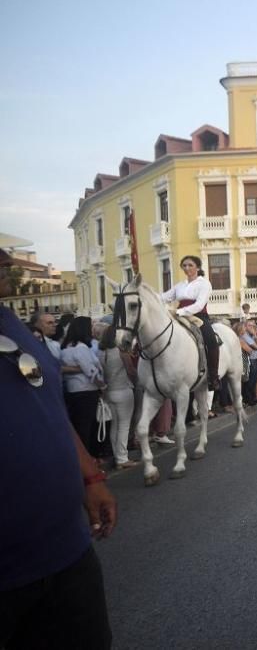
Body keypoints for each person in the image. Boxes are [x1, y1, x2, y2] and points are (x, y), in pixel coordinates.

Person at [0, 252, 116, 649]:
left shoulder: (10, 322)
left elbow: (44, 402)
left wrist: (90, 475)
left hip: (68, 551)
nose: (5, 261)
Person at [161, 255, 219, 390]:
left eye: (190, 265)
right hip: (179, 316)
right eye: (184, 265)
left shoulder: (204, 283)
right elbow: (164, 297)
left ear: (197, 267)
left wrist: (179, 312)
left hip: (198, 316)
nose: (187, 268)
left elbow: (199, 305)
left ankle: (213, 377)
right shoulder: (180, 285)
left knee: (211, 340)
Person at [61, 316, 105, 458]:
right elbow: (91, 371)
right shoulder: (81, 348)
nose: (92, 329)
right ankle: (88, 459)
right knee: (87, 428)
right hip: (87, 391)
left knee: (80, 427)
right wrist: (102, 386)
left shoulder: (66, 347)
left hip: (73, 390)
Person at [97, 324, 138, 470]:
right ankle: (122, 458)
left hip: (109, 392)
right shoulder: (121, 351)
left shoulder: (100, 352)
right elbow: (131, 371)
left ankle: (117, 456)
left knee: (114, 427)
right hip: (124, 390)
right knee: (124, 426)